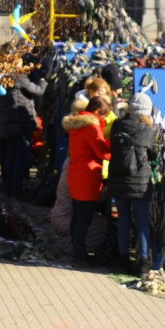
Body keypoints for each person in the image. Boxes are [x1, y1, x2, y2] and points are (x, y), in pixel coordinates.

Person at [106, 92, 155, 275]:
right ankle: (143, 262)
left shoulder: (117, 125)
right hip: (140, 182)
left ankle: (122, 259)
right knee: (142, 222)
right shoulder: (146, 129)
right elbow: (153, 153)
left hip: (118, 179)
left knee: (123, 220)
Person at [63, 94, 110, 263]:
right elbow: (102, 151)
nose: (103, 118)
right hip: (87, 176)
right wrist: (113, 144)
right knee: (84, 218)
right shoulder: (91, 127)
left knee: (77, 215)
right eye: (102, 114)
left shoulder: (76, 124)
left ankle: (76, 251)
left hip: (75, 173)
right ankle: (79, 256)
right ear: (96, 111)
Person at [0, 56, 47, 199]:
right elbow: (37, 91)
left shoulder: (0, 76)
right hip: (20, 123)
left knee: (9, 156)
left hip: (6, 122)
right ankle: (16, 190)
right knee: (20, 157)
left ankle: (8, 188)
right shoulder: (18, 76)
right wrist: (43, 81)